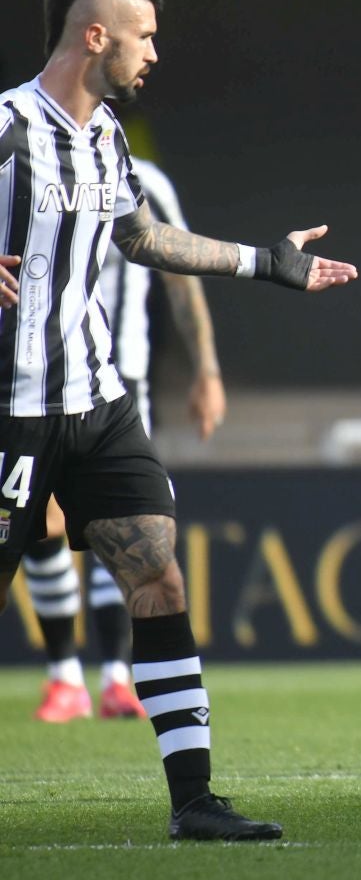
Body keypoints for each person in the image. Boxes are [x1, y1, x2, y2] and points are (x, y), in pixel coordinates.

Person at [1, 0, 358, 839]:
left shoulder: (107, 137)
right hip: (7, 410)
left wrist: (263, 263)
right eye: (145, 36)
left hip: (97, 402)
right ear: (97, 37)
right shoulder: (7, 129)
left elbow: (143, 237)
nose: (154, 52)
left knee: (158, 574)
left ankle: (193, 801)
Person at [29, 155, 226, 723]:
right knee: (43, 519)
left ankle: (116, 673)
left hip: (119, 378)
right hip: (35, 383)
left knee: (117, 521)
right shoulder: (21, 160)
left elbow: (179, 275)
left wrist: (206, 371)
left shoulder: (138, 179)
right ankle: (65, 674)